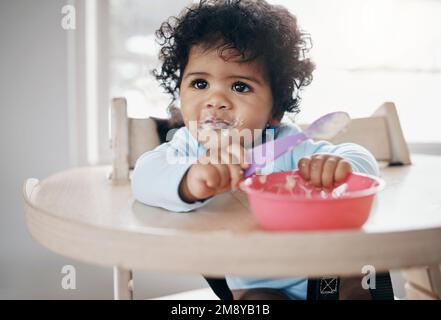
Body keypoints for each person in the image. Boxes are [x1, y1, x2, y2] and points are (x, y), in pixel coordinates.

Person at [132, 0, 379, 299]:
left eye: (239, 87)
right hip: (257, 287)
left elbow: (361, 158)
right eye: (199, 83)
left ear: (275, 109)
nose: (216, 100)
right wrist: (189, 180)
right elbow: (144, 176)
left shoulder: (285, 143)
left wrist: (336, 166)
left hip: (326, 276)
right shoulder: (187, 148)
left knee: (367, 281)